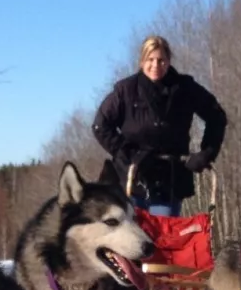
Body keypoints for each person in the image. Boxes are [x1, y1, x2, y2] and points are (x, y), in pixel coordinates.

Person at [92, 36, 227, 216]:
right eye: (150, 59)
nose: (156, 65)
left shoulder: (185, 88)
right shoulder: (126, 90)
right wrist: (127, 153)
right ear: (142, 61)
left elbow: (216, 116)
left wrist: (206, 154)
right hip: (131, 178)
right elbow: (100, 125)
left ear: (168, 61)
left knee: (163, 238)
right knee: (133, 238)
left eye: (161, 60)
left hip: (168, 179)